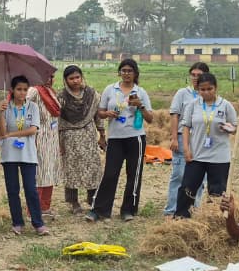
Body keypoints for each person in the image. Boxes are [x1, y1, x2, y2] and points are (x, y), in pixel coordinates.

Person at [86, 59, 153, 222]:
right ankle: (99, 210)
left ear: (135, 73)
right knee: (110, 173)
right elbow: (100, 112)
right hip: (115, 138)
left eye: (130, 71)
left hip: (135, 138)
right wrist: (107, 114)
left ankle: (128, 210)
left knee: (133, 175)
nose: (126, 74)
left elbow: (150, 118)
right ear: (119, 72)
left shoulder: (141, 92)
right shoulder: (110, 89)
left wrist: (140, 105)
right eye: (123, 70)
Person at [174, 73, 238, 217]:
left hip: (219, 157)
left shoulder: (225, 105)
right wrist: (186, 149)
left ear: (216, 88)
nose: (206, 92)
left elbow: (235, 127)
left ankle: (213, 219)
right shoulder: (193, 105)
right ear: (198, 90)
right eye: (202, 89)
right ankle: (181, 218)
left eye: (209, 89)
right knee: (187, 188)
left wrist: (230, 128)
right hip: (196, 155)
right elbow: (185, 127)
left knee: (217, 191)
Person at [0, 75, 49, 236]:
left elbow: (33, 130)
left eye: (25, 89)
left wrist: (12, 134)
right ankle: (17, 222)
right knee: (13, 190)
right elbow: (2, 132)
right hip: (9, 154)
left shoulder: (32, 107)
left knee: (30, 189)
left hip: (28, 154)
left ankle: (38, 223)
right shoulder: (6, 107)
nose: (22, 93)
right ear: (12, 90)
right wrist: (0, 113)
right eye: (19, 89)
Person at [56, 65, 102, 213]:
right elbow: (56, 121)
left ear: (82, 77)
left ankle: (92, 198)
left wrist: (102, 134)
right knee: (71, 168)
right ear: (65, 80)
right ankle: (73, 202)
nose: (75, 81)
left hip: (88, 135)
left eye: (77, 77)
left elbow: (98, 115)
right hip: (69, 137)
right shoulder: (61, 97)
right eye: (71, 78)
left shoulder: (92, 94)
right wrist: (58, 142)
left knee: (92, 166)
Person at [165, 63, 208, 215]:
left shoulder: (208, 95)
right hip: (183, 139)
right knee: (179, 175)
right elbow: (174, 114)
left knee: (200, 179)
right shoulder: (183, 93)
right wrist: (174, 138)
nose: (195, 78)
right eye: (193, 75)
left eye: (199, 75)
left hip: (202, 141)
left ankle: (194, 210)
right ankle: (171, 210)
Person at [27, 76, 63, 219]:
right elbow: (23, 106)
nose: (49, 79)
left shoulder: (50, 91)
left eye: (52, 76)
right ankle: (33, 210)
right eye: (45, 75)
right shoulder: (34, 90)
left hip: (52, 138)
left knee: (50, 172)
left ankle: (45, 207)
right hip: (40, 137)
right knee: (40, 173)